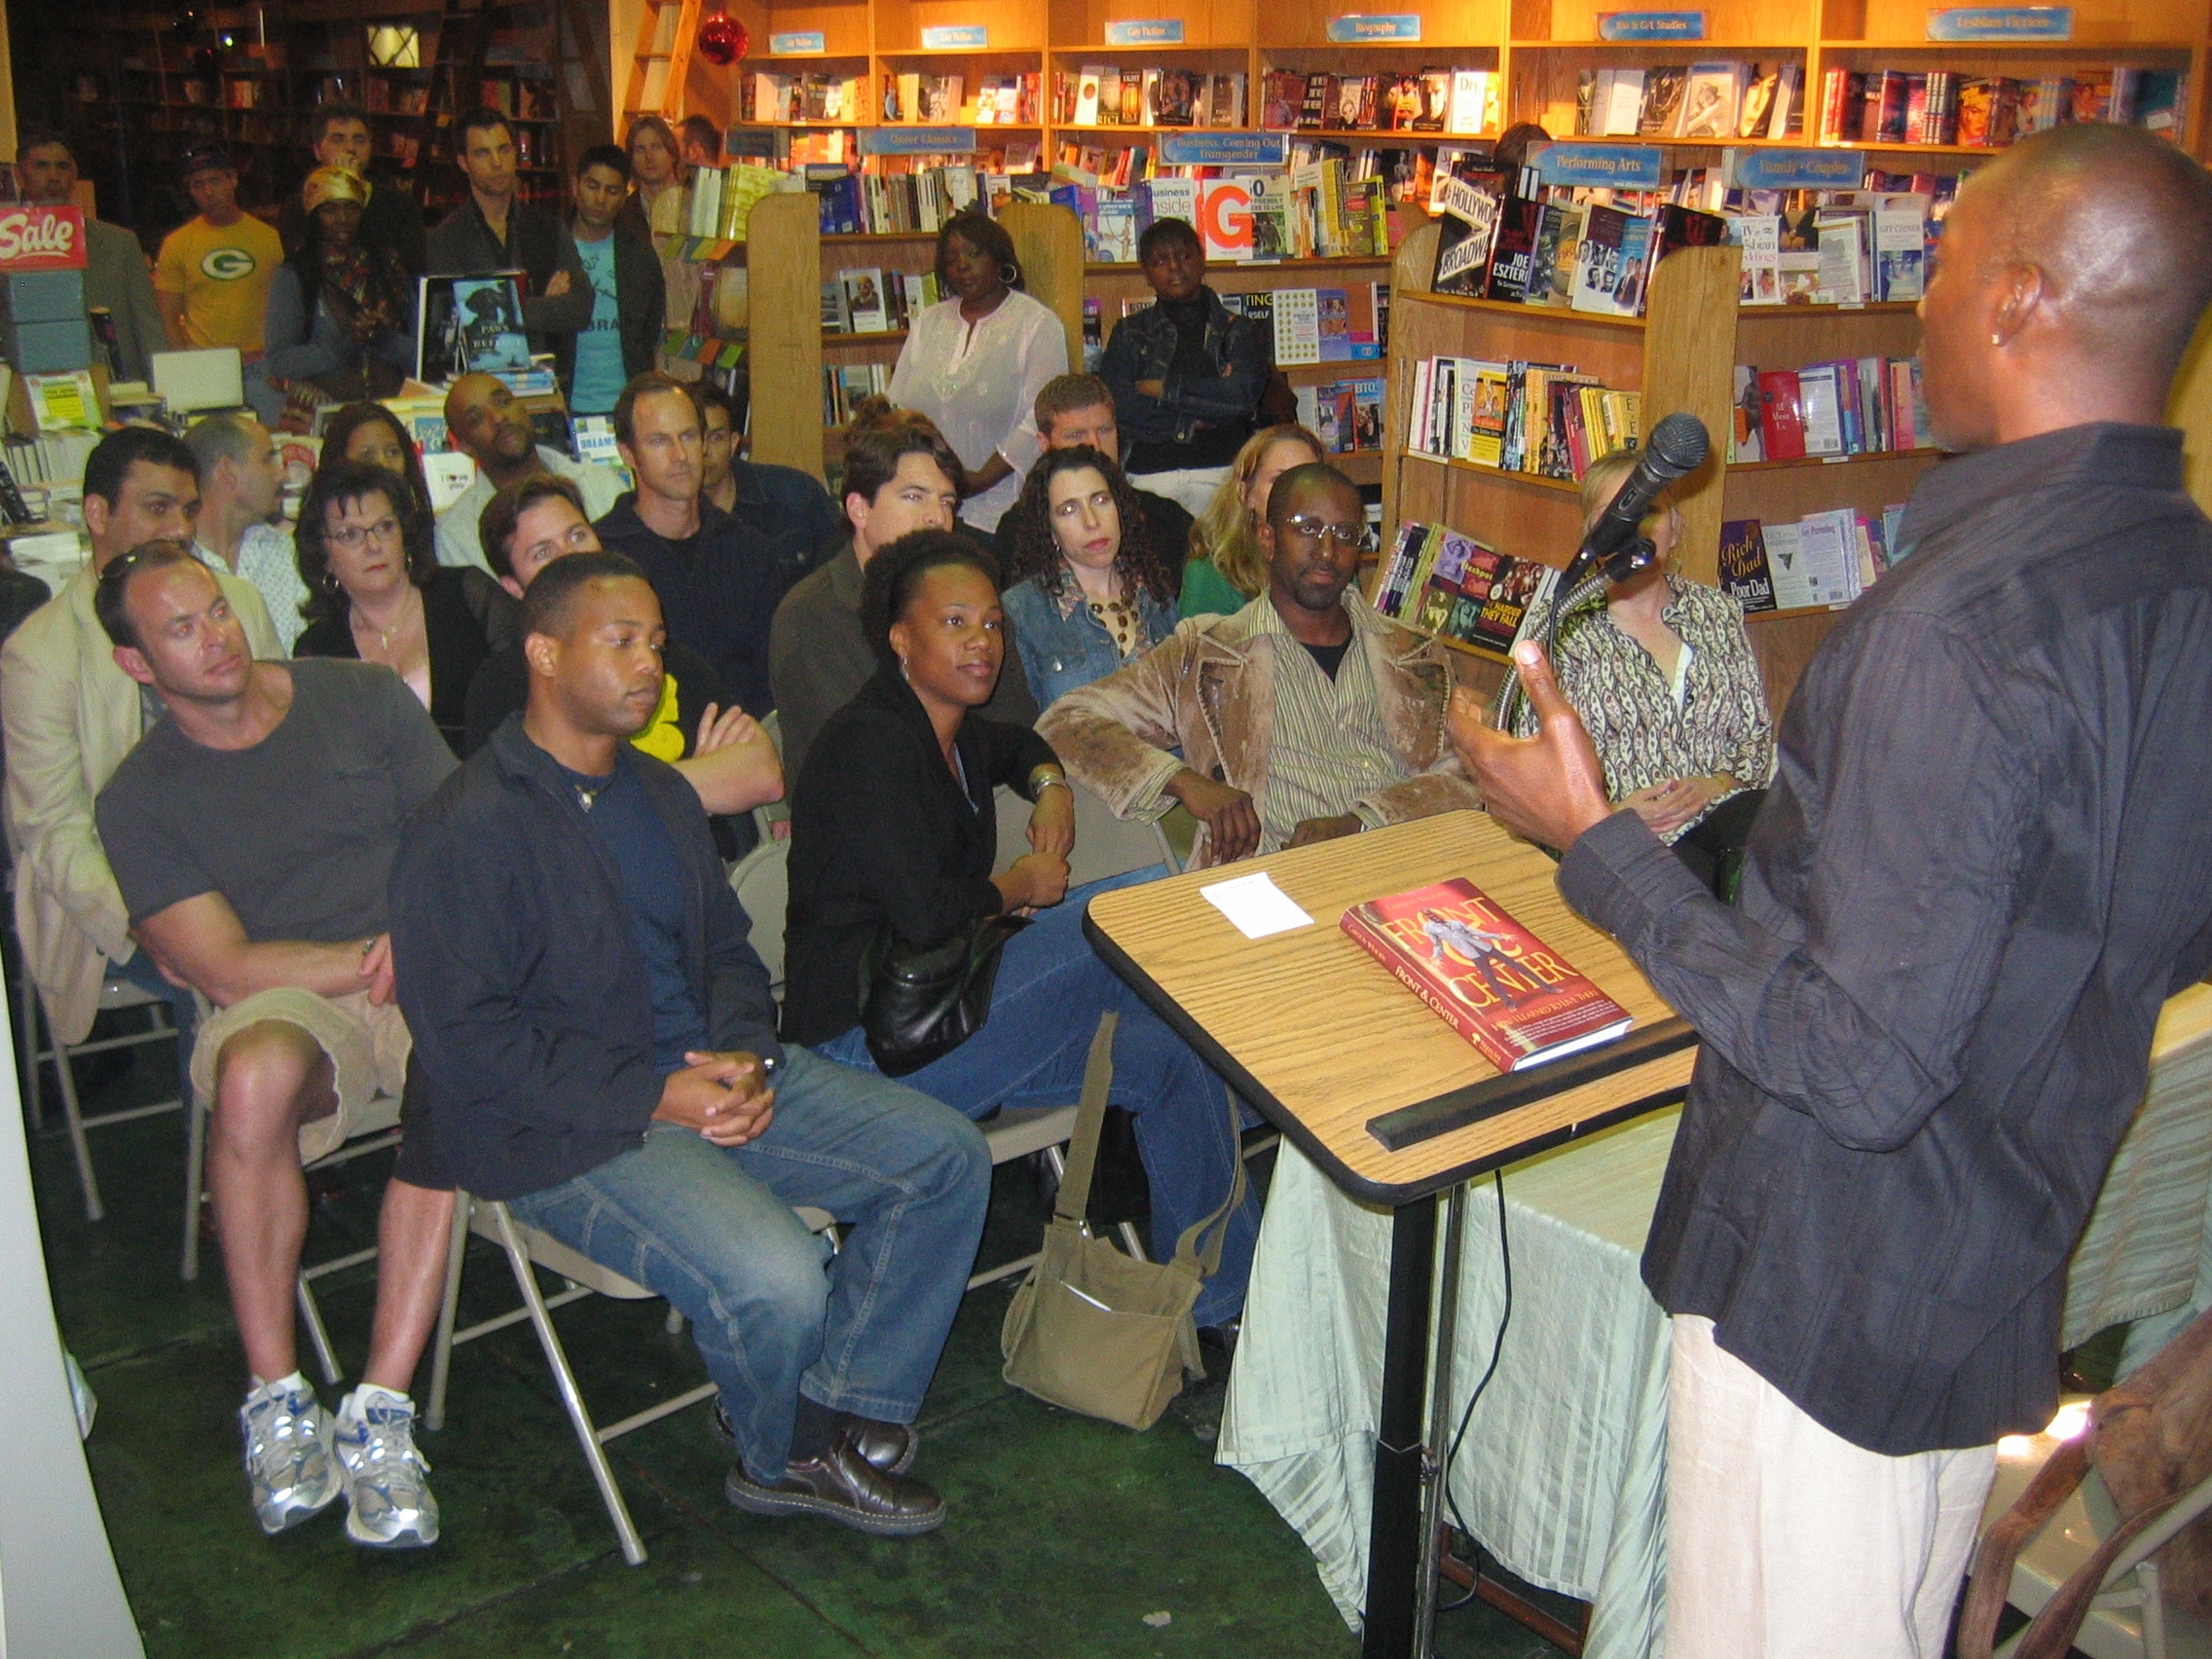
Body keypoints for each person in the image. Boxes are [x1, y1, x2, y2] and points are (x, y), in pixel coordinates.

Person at [1454, 123, 2212, 1659]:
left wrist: (1590, 841)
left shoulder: (1952, 632)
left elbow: (1857, 1066)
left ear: (2015, 302)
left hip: (1827, 1295)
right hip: (1994, 1260)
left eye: (1933, 272)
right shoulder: (2179, 578)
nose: (1915, 311)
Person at [392, 548, 989, 1536]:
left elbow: (725, 954)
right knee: (779, 1275)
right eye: (620, 640)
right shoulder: (466, 826)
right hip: (566, 1131)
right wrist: (656, 1094)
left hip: (710, 1078)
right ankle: (782, 1457)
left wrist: (747, 1055)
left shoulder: (659, 794)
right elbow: (467, 1047)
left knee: (943, 1159)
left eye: (657, 643)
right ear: (542, 653)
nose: (650, 665)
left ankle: (835, 1408)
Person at [784, 529, 1258, 1322]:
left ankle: (1220, 1306)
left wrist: (1052, 788)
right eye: (956, 623)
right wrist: (1017, 885)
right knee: (1125, 909)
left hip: (950, 1014)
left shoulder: (954, 730)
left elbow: (1019, 744)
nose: (984, 643)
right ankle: (1270, 1061)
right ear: (901, 638)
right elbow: (927, 912)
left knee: (1174, 1054)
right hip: (867, 1053)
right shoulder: (866, 745)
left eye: (993, 625)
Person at [91, 542, 458, 1549]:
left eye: (215, 610)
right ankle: (276, 1394)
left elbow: (465, 836)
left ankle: (381, 1411)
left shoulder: (363, 697)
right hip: (302, 987)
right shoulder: (137, 798)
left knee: (450, 1081)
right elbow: (223, 968)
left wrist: (419, 940)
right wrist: (365, 955)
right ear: (137, 666)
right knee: (250, 1080)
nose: (215, 637)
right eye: (179, 629)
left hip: (426, 961)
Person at [2, 428, 281, 1079]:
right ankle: (235, 1161)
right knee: (217, 984)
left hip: (255, 863)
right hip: (119, 894)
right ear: (98, 515)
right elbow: (53, 832)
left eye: (187, 510)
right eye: (157, 508)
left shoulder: (232, 602)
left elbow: (282, 745)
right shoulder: (39, 655)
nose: (178, 529)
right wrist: (145, 924)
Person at [1040, 461, 1481, 867]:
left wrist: (1360, 822)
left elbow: (1465, 774)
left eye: (1345, 534)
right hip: (1267, 881)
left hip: (1403, 867)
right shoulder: (1208, 652)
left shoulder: (1413, 653)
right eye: (1307, 528)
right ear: (1268, 539)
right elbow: (1066, 721)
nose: (1327, 551)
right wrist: (1184, 782)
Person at [1504, 447, 1773, 895]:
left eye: (1648, 511)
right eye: (1614, 515)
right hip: (1624, 841)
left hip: (1726, 818)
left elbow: (1756, 737)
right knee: (1677, 885)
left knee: (1777, 851)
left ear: (1675, 528)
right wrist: (1610, 814)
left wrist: (1717, 783)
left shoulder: (1719, 612)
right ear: (1592, 533)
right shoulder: (1559, 629)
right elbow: (1534, 777)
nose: (1634, 529)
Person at [463, 474, 781, 822]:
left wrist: (621, 797)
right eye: (543, 552)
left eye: (577, 536)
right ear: (513, 587)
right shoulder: (502, 685)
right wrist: (697, 781)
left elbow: (763, 774)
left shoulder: (658, 650)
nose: (571, 558)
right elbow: (538, 817)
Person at [769, 406, 1038, 783]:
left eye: (947, 502)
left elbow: (1015, 727)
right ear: (859, 509)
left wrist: (1045, 780)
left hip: (978, 797)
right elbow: (862, 756)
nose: (937, 518)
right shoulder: (811, 615)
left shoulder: (972, 598)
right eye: (915, 497)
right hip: (864, 814)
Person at [593, 373, 787, 715]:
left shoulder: (750, 551)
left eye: (689, 436)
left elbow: (771, 679)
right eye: (658, 441)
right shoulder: (601, 558)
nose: (680, 455)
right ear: (628, 454)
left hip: (743, 742)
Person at [293, 460, 516, 756]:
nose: (373, 545)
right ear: (322, 555)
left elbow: (532, 698)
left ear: (405, 535)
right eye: (350, 535)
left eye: (385, 527)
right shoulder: (317, 649)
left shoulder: (467, 595)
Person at [885, 212, 1067, 535]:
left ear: (999, 258)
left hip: (999, 512)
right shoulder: (928, 323)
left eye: (974, 253)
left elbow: (1042, 417)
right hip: (920, 508)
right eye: (951, 257)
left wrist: (979, 479)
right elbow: (897, 405)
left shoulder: (1036, 324)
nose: (962, 265)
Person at [1097, 217, 1272, 520]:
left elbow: (1239, 399)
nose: (1175, 268)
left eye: (1184, 255)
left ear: (1202, 260)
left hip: (1222, 477)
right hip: (1148, 480)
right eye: (1161, 260)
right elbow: (1120, 409)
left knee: (1223, 567)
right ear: (1147, 274)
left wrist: (1161, 388)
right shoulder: (1129, 333)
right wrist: (1194, 420)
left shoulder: (1238, 330)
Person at [999, 445, 1178, 708]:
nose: (1092, 521)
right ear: (1050, 530)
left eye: (1101, 500)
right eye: (1068, 510)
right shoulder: (1022, 611)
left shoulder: (1156, 595)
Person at [249, 167, 416, 427]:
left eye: (351, 208)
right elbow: (280, 362)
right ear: (313, 215)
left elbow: (421, 355)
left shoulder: (390, 270)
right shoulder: (296, 275)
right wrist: (346, 346)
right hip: (321, 418)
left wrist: (383, 339)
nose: (342, 219)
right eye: (330, 210)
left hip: (390, 415)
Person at [424, 108, 589, 365]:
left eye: (504, 150)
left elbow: (580, 308)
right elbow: (447, 327)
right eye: (483, 153)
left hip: (545, 381)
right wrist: (542, 305)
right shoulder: (446, 239)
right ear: (463, 162)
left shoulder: (548, 229)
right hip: (477, 386)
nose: (497, 163)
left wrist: (502, 308)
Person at [1005, 373, 1194, 577]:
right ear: (1044, 443)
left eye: (1104, 430)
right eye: (1076, 435)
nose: (1094, 446)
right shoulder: (1018, 530)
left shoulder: (1167, 520)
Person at [433, 372, 625, 573]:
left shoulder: (602, 484)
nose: (498, 417)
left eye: (502, 402)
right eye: (476, 419)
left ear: (524, 407)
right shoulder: (456, 534)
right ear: (464, 447)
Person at [15, 131, 168, 383]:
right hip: (35, 385)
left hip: (115, 386)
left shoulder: (118, 243)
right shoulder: (9, 246)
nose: (53, 176)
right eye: (41, 166)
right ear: (20, 176)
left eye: (62, 166)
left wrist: (162, 391)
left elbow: (149, 327)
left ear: (74, 174)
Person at [698, 378, 843, 588]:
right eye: (693, 437)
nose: (705, 451)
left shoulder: (797, 496)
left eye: (716, 437)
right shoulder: (668, 519)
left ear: (733, 443)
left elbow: (847, 579)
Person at [183, 413, 311, 652]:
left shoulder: (286, 554)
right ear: (228, 471)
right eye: (268, 460)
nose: (281, 474)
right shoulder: (177, 563)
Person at [1178, 424, 1326, 619]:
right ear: (1246, 493)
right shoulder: (1209, 575)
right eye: (1278, 479)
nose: (1295, 490)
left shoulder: (1333, 563)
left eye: (1308, 478)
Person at [153, 144, 284, 358]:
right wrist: (182, 364)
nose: (208, 192)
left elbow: (286, 307)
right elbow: (168, 316)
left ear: (232, 179)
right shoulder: (178, 244)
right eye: (198, 185)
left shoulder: (269, 238)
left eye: (214, 181)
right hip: (206, 362)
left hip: (259, 362)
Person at [563, 144, 663, 417]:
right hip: (562, 405)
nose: (600, 199)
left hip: (625, 408)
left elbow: (650, 330)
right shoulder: (550, 251)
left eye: (612, 191)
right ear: (576, 185)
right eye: (592, 186)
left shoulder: (640, 256)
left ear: (623, 197)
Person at [276, 102, 428, 275]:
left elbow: (413, 269)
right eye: (338, 139)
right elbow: (303, 267)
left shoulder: (399, 205)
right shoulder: (298, 207)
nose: (350, 148)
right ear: (317, 150)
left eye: (359, 140)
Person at [319, 401, 436, 523]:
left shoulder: (423, 526)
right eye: (368, 456)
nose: (385, 464)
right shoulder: (326, 531)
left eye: (393, 452)